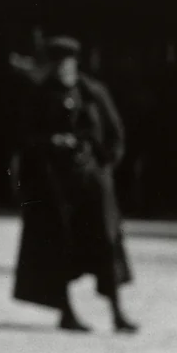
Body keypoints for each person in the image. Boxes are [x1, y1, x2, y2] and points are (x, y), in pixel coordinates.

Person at [11, 36, 138, 333]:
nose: (62, 69)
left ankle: (118, 313)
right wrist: (51, 142)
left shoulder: (93, 93)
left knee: (106, 243)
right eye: (57, 64)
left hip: (92, 181)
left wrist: (102, 167)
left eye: (68, 63)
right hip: (55, 185)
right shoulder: (39, 96)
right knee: (60, 245)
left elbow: (115, 134)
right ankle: (66, 312)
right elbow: (23, 138)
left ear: (75, 64)